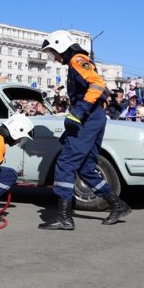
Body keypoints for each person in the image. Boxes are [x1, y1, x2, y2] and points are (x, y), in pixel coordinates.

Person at [36, 30, 131, 230]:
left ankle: (64, 217)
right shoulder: (79, 61)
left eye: (53, 51)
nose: (54, 57)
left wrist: (79, 111)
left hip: (88, 118)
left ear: (61, 46)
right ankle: (118, 205)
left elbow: (97, 84)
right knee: (86, 168)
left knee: (65, 163)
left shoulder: (77, 60)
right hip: (93, 118)